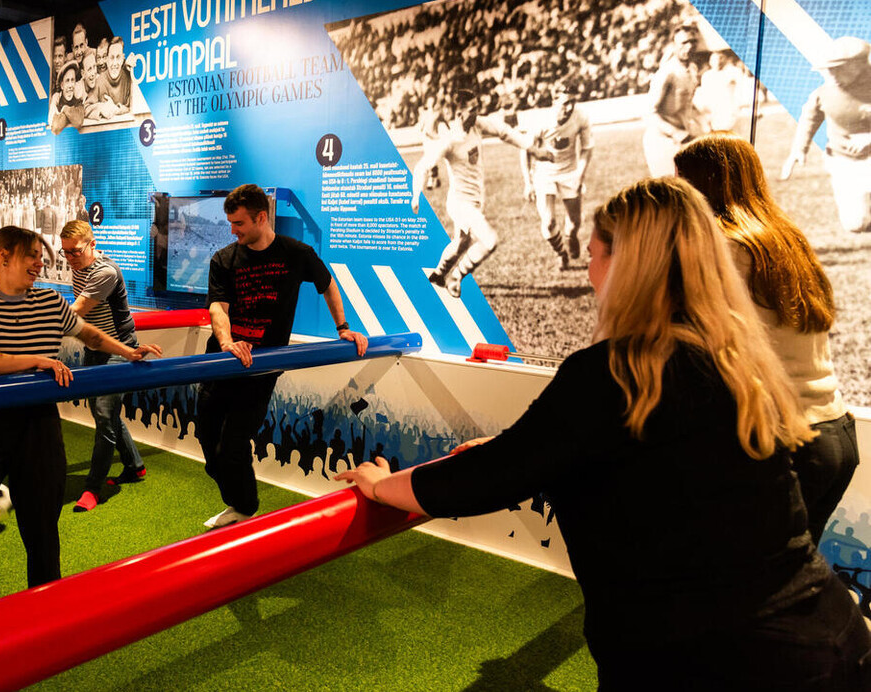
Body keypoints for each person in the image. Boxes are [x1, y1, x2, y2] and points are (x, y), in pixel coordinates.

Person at [337, 177, 871, 688]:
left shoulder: (620, 370)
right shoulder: (729, 356)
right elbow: (640, 468)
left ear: (627, 265)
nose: (589, 270)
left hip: (725, 663)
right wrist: (534, 457)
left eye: (593, 255)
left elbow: (486, 479)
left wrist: (380, 485)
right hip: (824, 636)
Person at [0, 225, 160, 615]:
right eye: (33, 256)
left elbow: (90, 335)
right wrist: (37, 362)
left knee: (42, 532)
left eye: (43, 257)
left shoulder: (50, 301)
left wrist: (130, 351)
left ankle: (45, 618)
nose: (42, 263)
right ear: (3, 256)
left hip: (39, 426)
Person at [676, 132, 859, 545]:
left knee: (747, 593)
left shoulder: (724, 247)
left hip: (784, 443)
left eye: (681, 187)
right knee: (785, 587)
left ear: (703, 187)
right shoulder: (787, 238)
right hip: (834, 435)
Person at [199, 184, 367, 528]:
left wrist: (343, 327)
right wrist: (228, 341)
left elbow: (327, 283)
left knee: (232, 444)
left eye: (239, 223)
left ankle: (244, 508)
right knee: (207, 441)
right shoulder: (223, 259)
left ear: (262, 217)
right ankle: (238, 502)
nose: (233, 230)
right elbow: (218, 306)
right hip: (222, 363)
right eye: (230, 222)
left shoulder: (297, 253)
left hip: (261, 371)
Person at [410, 88, 554, 295]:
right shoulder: (450, 140)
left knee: (461, 243)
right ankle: (456, 277)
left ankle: (437, 276)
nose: (477, 113)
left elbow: (505, 132)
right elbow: (422, 167)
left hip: (476, 200)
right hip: (460, 203)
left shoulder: (477, 125)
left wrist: (535, 151)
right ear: (459, 114)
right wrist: (416, 195)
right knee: (489, 240)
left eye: (477, 108)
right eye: (473, 110)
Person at [60, 219, 156, 511]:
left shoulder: (105, 272)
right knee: (106, 414)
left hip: (121, 350)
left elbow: (75, 312)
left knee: (104, 415)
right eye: (65, 252)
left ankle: (93, 488)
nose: (70, 258)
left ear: (93, 244)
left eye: (75, 251)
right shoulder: (78, 268)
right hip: (95, 348)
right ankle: (135, 466)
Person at [781, 36, 871, 234]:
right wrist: (798, 149)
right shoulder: (824, 92)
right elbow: (809, 118)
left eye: (837, 68)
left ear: (857, 65)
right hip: (842, 160)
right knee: (855, 224)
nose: (831, 74)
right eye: (828, 69)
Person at [519, 83, 593, 270]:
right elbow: (525, 150)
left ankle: (571, 235)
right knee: (548, 220)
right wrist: (528, 182)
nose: (570, 108)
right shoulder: (541, 120)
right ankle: (561, 254)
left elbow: (586, 148)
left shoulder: (581, 116)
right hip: (545, 173)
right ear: (554, 101)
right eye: (565, 103)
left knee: (575, 221)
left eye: (573, 102)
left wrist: (580, 175)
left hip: (570, 172)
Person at [642, 23, 703, 176]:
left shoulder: (693, 69)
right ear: (673, 45)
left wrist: (706, 124)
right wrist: (675, 132)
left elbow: (688, 103)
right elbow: (649, 113)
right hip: (660, 140)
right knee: (671, 192)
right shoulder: (666, 73)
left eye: (693, 41)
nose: (689, 47)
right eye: (684, 42)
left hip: (682, 139)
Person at [49, 63, 84, 135]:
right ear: (62, 85)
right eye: (67, 81)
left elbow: (78, 122)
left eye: (72, 80)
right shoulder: (57, 100)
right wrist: (71, 116)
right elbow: (55, 127)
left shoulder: (78, 99)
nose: (70, 85)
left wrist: (65, 109)